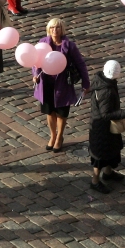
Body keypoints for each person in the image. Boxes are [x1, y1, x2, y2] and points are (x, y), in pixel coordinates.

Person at [33, 18, 90, 152]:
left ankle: (59, 137)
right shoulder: (42, 43)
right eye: (52, 28)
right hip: (46, 83)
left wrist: (86, 83)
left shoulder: (69, 46)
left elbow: (80, 64)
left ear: (62, 29)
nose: (54, 30)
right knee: (50, 111)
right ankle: (52, 136)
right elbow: (36, 60)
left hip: (63, 84)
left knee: (61, 113)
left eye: (57, 27)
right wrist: (35, 75)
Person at [88, 60, 125, 193]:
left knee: (110, 151)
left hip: (103, 127)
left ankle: (108, 172)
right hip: (102, 129)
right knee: (99, 156)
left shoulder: (100, 81)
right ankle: (95, 181)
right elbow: (105, 114)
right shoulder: (106, 91)